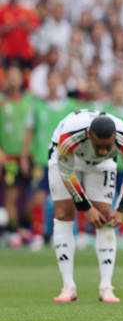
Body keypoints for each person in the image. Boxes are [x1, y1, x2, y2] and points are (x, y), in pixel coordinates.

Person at [50, 110, 123, 303]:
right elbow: (66, 173)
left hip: (101, 166)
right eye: (99, 146)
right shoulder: (69, 139)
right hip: (68, 159)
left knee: (104, 216)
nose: (102, 151)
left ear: (114, 138)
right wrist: (85, 207)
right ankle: (68, 287)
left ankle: (106, 286)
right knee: (64, 213)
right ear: (90, 136)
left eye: (107, 147)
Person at [21, 70, 77, 250]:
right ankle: (37, 234)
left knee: (62, 200)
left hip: (63, 161)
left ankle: (57, 235)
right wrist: (24, 156)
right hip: (41, 160)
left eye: (56, 79)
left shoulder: (70, 106)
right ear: (47, 83)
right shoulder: (37, 106)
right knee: (38, 198)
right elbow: (29, 132)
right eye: (50, 80)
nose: (53, 83)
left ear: (61, 82)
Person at [0, 65, 33, 247]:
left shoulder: (30, 101)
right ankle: (13, 232)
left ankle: (27, 229)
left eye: (16, 76)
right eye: (10, 76)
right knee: (10, 196)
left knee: (31, 195)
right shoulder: (2, 102)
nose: (13, 79)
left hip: (29, 156)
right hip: (10, 156)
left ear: (22, 79)